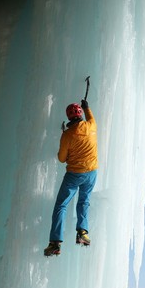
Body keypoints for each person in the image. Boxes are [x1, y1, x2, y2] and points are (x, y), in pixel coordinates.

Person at [44, 99, 98, 257]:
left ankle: (55, 242)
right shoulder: (91, 126)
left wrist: (64, 140)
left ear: (68, 117)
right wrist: (87, 107)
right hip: (92, 173)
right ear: (81, 114)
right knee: (84, 201)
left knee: (61, 205)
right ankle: (82, 232)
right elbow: (91, 118)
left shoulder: (67, 135)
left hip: (74, 174)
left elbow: (61, 159)